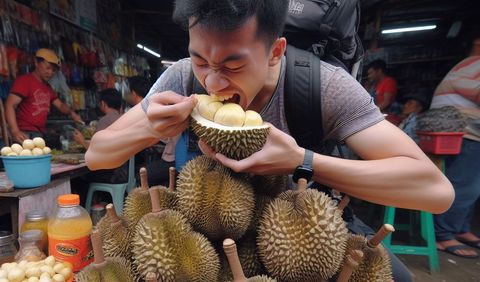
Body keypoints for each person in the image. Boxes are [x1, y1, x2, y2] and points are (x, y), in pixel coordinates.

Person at [85, 1, 454, 280]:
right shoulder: (181, 77)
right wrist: (151, 128)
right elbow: (96, 155)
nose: (212, 82)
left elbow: (436, 191)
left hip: (302, 243)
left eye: (233, 66)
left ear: (275, 51)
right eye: (200, 59)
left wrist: (303, 160)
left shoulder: (322, 86)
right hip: (207, 241)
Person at [430, 35, 480, 259]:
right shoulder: (474, 64)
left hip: (463, 132)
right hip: (465, 132)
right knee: (464, 185)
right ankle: (443, 234)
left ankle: (460, 229)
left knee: (471, 185)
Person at [5, 49, 83, 144]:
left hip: (38, 133)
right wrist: (15, 131)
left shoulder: (47, 87)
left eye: (54, 70)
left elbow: (60, 106)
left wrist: (72, 113)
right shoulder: (25, 81)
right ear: (36, 62)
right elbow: (9, 104)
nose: (50, 73)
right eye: (48, 68)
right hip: (25, 133)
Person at [73, 88, 127, 184]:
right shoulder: (126, 119)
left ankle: (94, 198)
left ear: (103, 103)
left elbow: (98, 151)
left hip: (112, 174)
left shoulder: (104, 121)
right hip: (124, 172)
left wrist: (82, 141)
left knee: (79, 178)